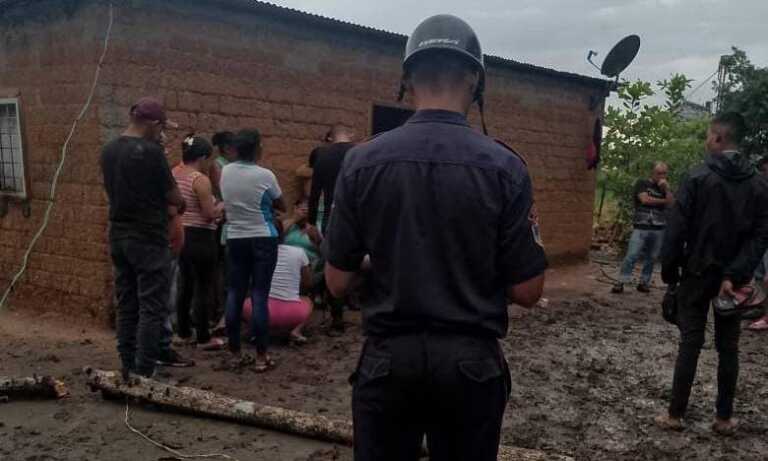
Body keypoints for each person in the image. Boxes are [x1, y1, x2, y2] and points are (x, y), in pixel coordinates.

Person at [323, 15, 547, 461]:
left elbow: (336, 283)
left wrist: (381, 262)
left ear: (406, 81)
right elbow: (528, 290)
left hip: (387, 364)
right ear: (476, 82)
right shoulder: (505, 167)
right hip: (471, 367)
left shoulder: (362, 162)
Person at [656, 113, 768, 434]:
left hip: (696, 273)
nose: (706, 140)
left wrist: (670, 274)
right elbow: (761, 235)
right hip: (732, 283)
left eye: (708, 135)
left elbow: (676, 230)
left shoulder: (697, 177)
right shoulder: (759, 185)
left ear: (718, 138)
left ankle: (675, 415)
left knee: (690, 342)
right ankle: (723, 418)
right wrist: (735, 275)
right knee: (728, 347)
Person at [100, 97, 185, 379]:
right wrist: (180, 205)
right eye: (160, 126)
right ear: (150, 123)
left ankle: (126, 365)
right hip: (148, 237)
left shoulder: (108, 150)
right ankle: (144, 372)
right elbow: (173, 196)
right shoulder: (150, 152)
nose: (162, 131)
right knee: (152, 306)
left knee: (127, 304)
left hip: (119, 235)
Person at [221, 128, 287, 372]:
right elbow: (282, 204)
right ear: (258, 148)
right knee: (259, 295)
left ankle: (235, 352)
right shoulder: (265, 175)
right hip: (263, 237)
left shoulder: (225, 171)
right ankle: (261, 357)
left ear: (236, 149)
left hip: (235, 237)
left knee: (235, 294)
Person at [173, 135, 225, 350]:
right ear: (202, 157)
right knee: (203, 286)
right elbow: (208, 213)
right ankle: (203, 337)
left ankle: (183, 332)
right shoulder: (199, 179)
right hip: (201, 237)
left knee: (185, 285)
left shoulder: (173, 173)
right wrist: (221, 207)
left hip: (180, 233)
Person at [244, 222, 314, 344]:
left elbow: (250, 282)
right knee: (309, 302)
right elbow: (308, 282)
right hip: (293, 314)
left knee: (243, 302)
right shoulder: (299, 252)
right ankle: (296, 331)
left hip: (261, 311)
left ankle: (256, 330)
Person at [612, 162, 674, 294]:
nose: (661, 176)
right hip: (641, 226)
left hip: (659, 228)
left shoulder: (665, 188)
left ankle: (644, 283)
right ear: (652, 173)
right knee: (632, 255)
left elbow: (672, 204)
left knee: (652, 258)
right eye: (659, 173)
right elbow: (644, 200)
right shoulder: (642, 183)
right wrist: (663, 201)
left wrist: (667, 190)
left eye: (664, 173)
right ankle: (621, 282)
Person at [308, 125, 356, 235]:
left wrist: (311, 222)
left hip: (331, 217)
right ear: (350, 135)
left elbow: (314, 194)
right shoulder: (360, 153)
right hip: (355, 218)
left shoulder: (322, 157)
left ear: (330, 138)